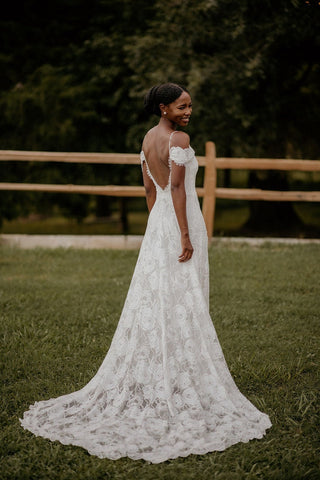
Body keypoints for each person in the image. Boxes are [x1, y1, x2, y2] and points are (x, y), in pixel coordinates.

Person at [20, 83, 272, 463]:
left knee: (159, 297)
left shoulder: (147, 137)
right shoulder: (179, 138)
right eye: (182, 106)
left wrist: (158, 227)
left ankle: (164, 371)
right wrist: (185, 233)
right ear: (163, 107)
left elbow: (149, 190)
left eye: (190, 106)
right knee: (185, 297)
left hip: (158, 225)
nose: (188, 112)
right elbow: (176, 188)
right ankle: (179, 375)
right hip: (182, 222)